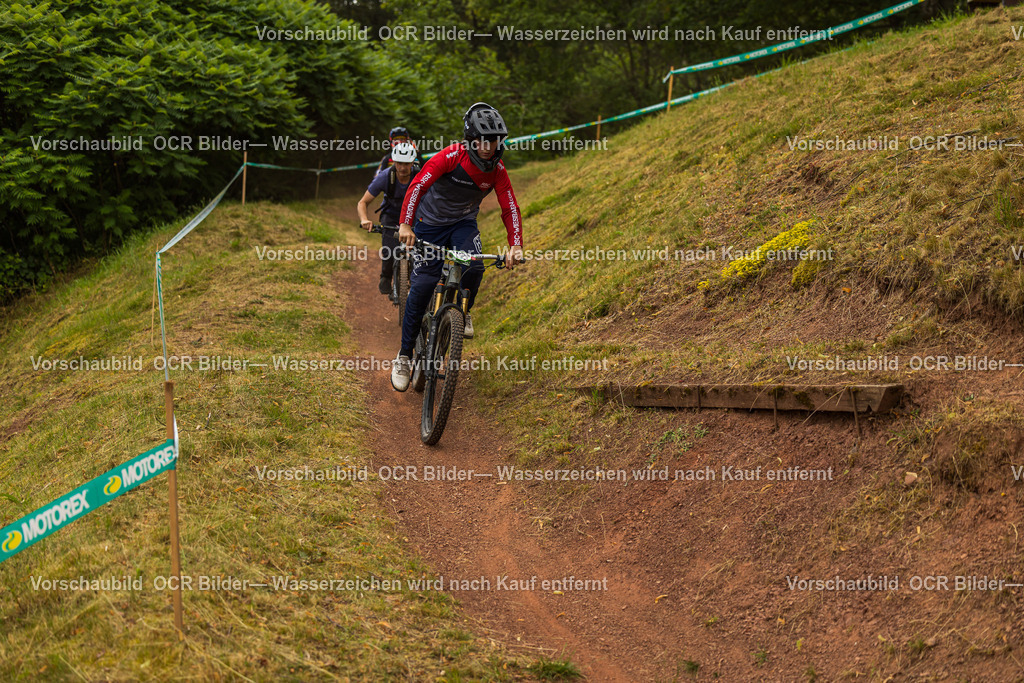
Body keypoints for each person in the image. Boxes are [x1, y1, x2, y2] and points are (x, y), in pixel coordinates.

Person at [390, 102, 524, 392]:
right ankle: (404, 356)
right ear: (471, 139)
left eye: (495, 140)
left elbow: (509, 206)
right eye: (483, 140)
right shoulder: (449, 157)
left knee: (475, 266)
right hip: (429, 224)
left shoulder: (497, 170)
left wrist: (515, 245)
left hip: (463, 224)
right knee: (423, 286)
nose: (489, 146)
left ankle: (463, 310)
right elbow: (417, 187)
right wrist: (405, 224)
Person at [357, 142, 419, 295]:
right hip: (390, 216)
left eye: (406, 164)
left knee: (420, 250)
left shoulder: (420, 176)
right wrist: (364, 219)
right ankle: (386, 276)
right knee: (390, 249)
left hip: (414, 216)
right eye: (399, 163)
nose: (403, 168)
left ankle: (418, 282)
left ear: (412, 162)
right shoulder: (385, 176)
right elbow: (362, 202)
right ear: (393, 161)